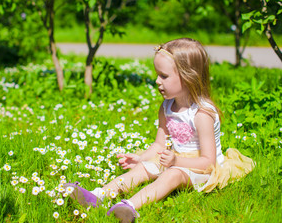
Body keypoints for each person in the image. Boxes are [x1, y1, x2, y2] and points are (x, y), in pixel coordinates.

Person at [63, 38, 255, 223]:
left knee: (173, 175)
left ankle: (129, 207)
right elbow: (158, 144)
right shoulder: (167, 107)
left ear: (188, 77)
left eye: (163, 76)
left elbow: (208, 162)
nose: (157, 81)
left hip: (200, 168)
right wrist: (142, 158)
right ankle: (98, 196)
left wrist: (177, 161)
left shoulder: (202, 113)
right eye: (157, 74)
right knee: (141, 169)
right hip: (175, 158)